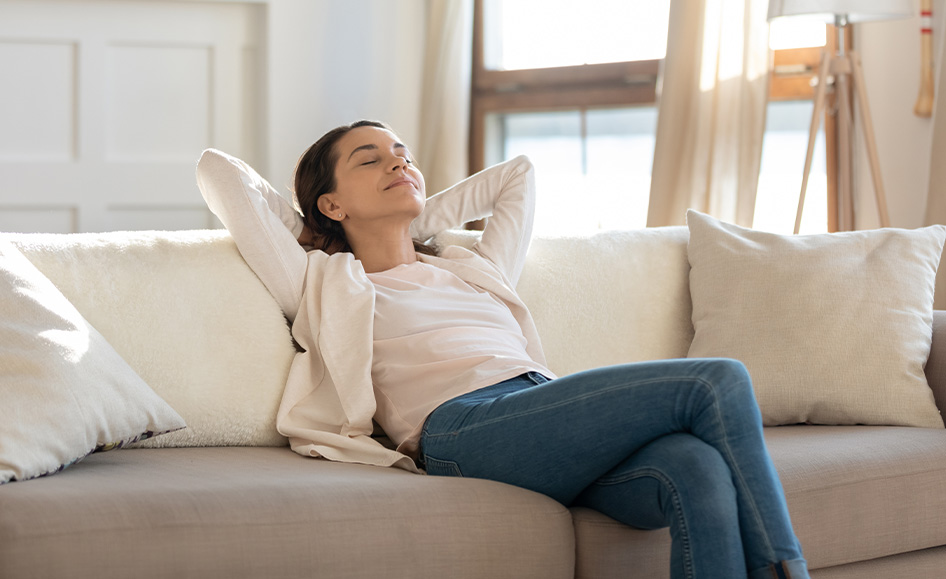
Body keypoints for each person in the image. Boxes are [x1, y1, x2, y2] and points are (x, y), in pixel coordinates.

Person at [196, 120, 809, 579]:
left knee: (694, 467)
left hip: (539, 409)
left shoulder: (474, 267)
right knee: (715, 380)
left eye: (405, 156)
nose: (398, 163)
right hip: (463, 428)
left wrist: (407, 214)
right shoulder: (322, 280)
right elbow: (218, 170)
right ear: (332, 202)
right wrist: (326, 229)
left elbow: (518, 175)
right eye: (371, 159)